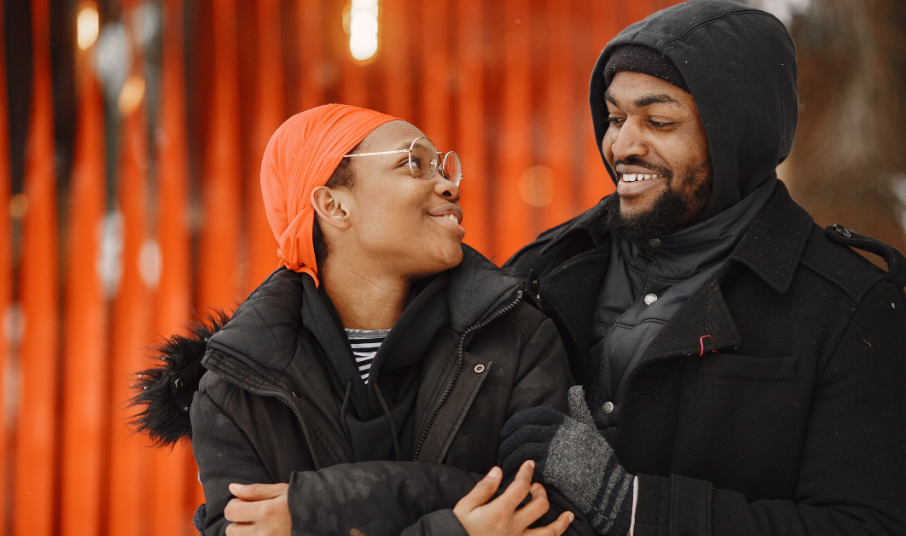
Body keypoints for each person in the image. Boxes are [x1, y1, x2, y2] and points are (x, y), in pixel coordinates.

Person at [498, 1, 906, 535]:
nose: (622, 146)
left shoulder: (848, 305)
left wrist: (631, 507)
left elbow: (867, 526)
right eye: (614, 118)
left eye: (659, 121)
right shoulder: (543, 270)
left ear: (736, 136)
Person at [131, 104, 581, 536]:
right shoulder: (237, 386)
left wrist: (314, 508)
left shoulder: (517, 336)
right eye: (414, 164)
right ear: (333, 206)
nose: (449, 185)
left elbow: (548, 513)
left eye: (443, 168)